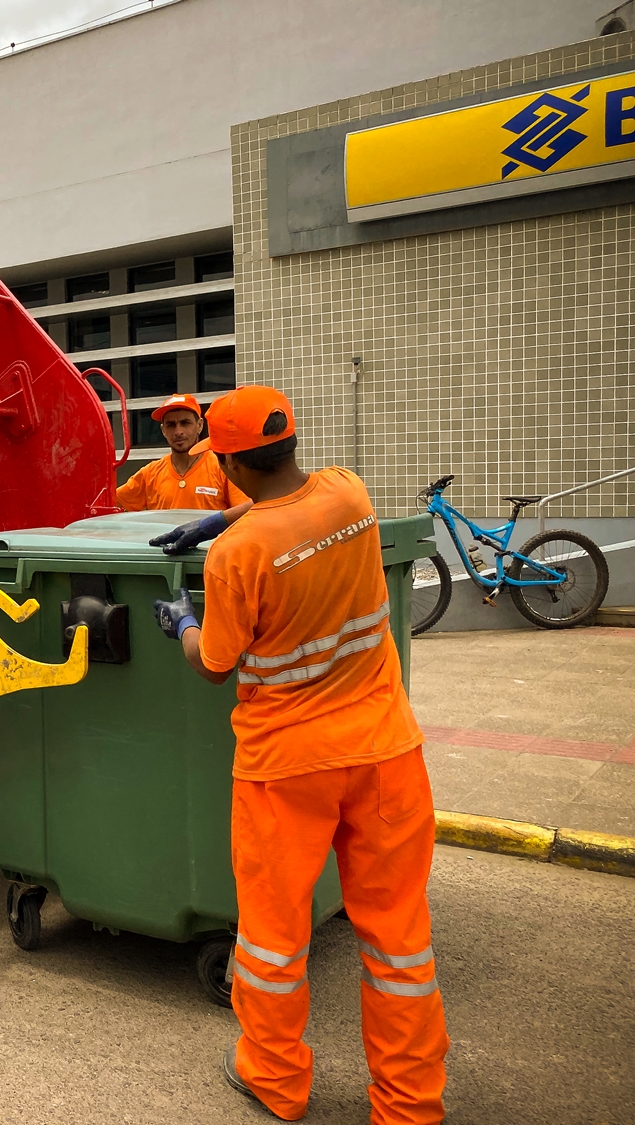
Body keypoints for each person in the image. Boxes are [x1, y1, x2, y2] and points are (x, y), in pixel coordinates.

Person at [150, 386, 448, 1124]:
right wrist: (223, 515)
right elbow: (292, 507)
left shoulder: (239, 556)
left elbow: (215, 663)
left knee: (274, 939)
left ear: (227, 460)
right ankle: (410, 1105)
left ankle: (276, 1080)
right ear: (288, 442)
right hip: (384, 750)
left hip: (287, 769)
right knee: (398, 939)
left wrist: (182, 621)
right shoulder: (350, 493)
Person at [117, 394, 250, 553]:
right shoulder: (150, 473)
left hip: (208, 558)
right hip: (164, 560)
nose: (178, 431)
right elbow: (112, 505)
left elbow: (245, 514)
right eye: (171, 425)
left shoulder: (223, 467)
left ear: (200, 425)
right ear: (163, 430)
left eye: (185, 423)